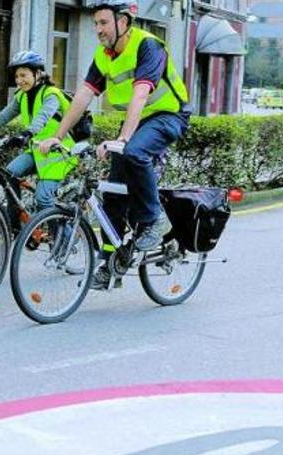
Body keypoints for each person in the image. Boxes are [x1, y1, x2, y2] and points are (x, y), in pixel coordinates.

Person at [38, 0, 191, 290]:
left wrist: (123, 139)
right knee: (112, 198)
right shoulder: (103, 55)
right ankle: (111, 265)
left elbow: (141, 95)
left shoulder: (148, 46)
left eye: (104, 23)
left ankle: (154, 218)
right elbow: (83, 96)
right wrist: (58, 135)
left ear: (123, 22)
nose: (98, 29)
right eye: (95, 23)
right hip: (136, 122)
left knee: (133, 151)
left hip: (167, 116)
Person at [0, 50, 78, 233]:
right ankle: (14, 224)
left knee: (43, 198)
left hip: (60, 152)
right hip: (38, 151)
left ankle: (62, 239)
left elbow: (43, 116)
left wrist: (27, 133)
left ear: (38, 73)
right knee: (10, 174)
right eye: (17, 76)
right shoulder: (22, 97)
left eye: (23, 75)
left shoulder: (51, 94)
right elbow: (2, 117)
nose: (19, 80)